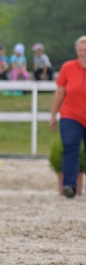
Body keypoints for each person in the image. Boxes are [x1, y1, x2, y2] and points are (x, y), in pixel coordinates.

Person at [49, 35, 86, 198]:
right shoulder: (68, 67)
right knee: (70, 148)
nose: (83, 53)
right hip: (71, 115)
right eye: (80, 50)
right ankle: (69, 185)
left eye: (85, 50)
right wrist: (53, 115)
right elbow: (60, 93)